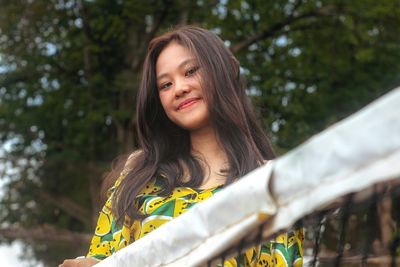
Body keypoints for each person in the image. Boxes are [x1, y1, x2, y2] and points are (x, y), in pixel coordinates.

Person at [59, 25, 303, 267]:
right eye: (166, 85)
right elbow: (105, 255)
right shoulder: (140, 174)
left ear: (222, 71)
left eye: (190, 71)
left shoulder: (270, 181)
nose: (180, 89)